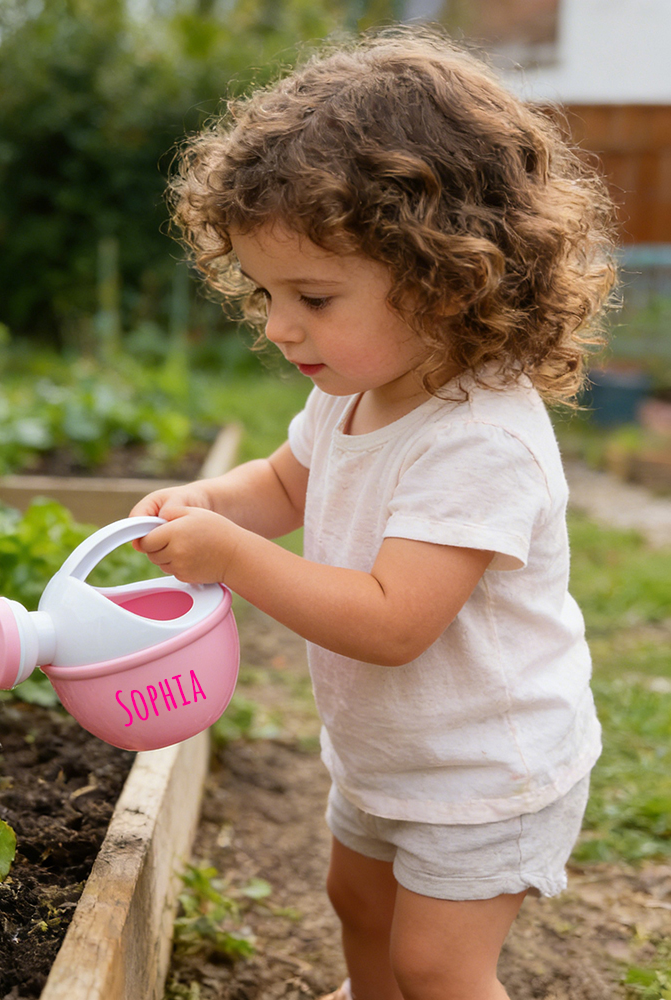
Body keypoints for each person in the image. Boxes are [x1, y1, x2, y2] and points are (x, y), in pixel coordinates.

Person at [129, 26, 618, 1000]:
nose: (278, 326)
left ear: (448, 276)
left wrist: (232, 557)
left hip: (484, 772)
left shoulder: (478, 437)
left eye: (312, 296)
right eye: (266, 292)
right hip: (391, 755)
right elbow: (286, 485)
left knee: (436, 964)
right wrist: (212, 500)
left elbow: (395, 622)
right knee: (357, 902)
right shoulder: (353, 391)